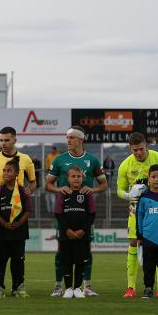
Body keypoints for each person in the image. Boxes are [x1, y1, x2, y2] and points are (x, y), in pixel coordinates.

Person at [46, 126, 109, 297]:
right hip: (65, 213)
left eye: (71, 138)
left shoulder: (93, 160)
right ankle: (59, 286)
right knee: (62, 250)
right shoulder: (59, 160)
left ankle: (86, 286)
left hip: (84, 213)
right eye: (67, 137)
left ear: (81, 140)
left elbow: (104, 184)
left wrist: (92, 190)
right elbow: (48, 184)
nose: (68, 141)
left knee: (86, 249)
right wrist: (59, 190)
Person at [0, 127, 37, 296]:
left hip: (18, 211)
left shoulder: (26, 160)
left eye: (6, 140)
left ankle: (17, 286)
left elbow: (33, 183)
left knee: (17, 250)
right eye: (0, 140)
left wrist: (27, 192)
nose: (3, 144)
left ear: (14, 140)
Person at [116, 132, 158, 298]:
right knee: (133, 242)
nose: (138, 153)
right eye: (135, 150)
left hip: (156, 206)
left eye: (141, 149)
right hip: (136, 208)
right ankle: (131, 288)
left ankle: (157, 289)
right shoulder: (125, 165)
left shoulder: (157, 157)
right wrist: (128, 195)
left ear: (146, 145)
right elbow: (119, 189)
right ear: (130, 148)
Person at [0, 158, 31, 298]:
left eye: (9, 171)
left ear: (17, 173)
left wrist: (18, 224)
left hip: (19, 233)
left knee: (18, 261)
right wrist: (3, 223)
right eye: (4, 171)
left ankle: (18, 287)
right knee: (1, 261)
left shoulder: (22, 191)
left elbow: (27, 211)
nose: (5, 173)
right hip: (3, 232)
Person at [54, 166, 96, 299]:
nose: (76, 179)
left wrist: (83, 230)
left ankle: (78, 288)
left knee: (80, 261)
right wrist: (67, 230)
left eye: (78, 176)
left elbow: (92, 213)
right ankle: (68, 289)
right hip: (66, 235)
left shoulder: (87, 194)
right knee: (66, 261)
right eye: (73, 176)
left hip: (82, 235)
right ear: (68, 178)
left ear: (83, 178)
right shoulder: (63, 193)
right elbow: (58, 213)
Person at [135, 164, 158, 299]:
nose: (156, 179)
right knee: (148, 266)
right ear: (148, 179)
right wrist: (139, 235)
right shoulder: (144, 197)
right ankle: (148, 288)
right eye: (153, 177)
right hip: (149, 238)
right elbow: (139, 217)